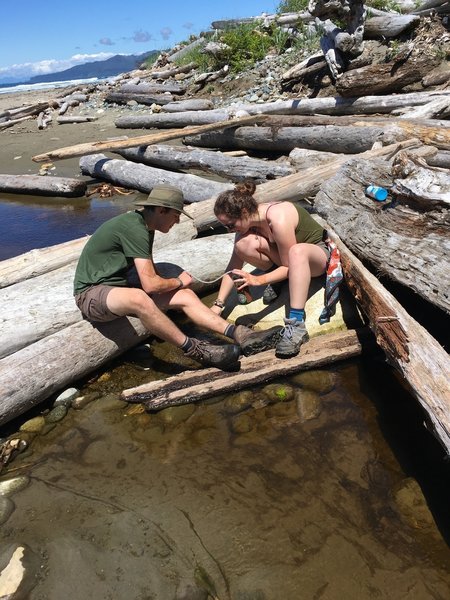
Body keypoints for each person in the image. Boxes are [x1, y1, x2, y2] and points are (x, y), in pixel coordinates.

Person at [73, 184, 281, 370]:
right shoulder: (134, 228)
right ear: (162, 210)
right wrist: (179, 281)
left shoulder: (144, 226)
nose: (177, 220)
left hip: (117, 289)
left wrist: (178, 288)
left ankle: (240, 334)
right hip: (91, 294)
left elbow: (150, 273)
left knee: (186, 296)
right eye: (175, 215)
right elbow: (151, 284)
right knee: (141, 298)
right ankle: (196, 349)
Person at [212, 181, 330, 358]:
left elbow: (290, 265)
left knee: (296, 252)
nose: (229, 230)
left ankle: (296, 325)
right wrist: (218, 304)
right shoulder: (249, 221)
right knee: (243, 244)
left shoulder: (278, 219)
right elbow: (233, 267)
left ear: (244, 212)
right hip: (288, 261)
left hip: (316, 255)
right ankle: (280, 280)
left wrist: (259, 279)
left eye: (230, 225)